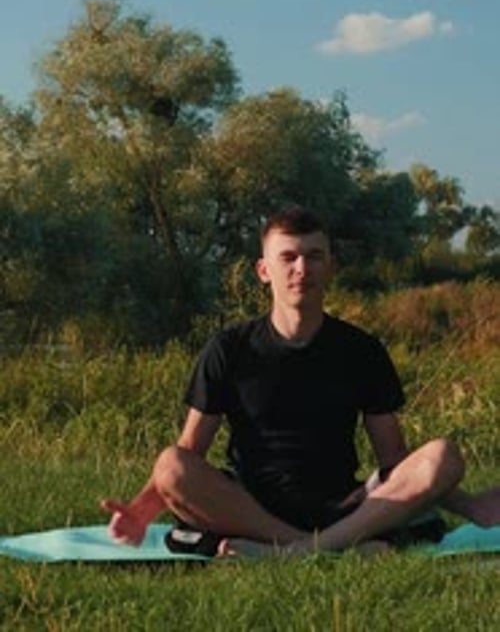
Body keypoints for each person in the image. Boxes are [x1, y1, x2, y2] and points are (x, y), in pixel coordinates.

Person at [102, 206, 500, 556]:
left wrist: (469, 504)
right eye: (288, 257)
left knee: (443, 455)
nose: (301, 269)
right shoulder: (228, 349)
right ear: (263, 270)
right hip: (247, 508)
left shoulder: (361, 350)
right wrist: (142, 510)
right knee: (171, 464)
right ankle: (324, 547)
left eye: (313, 256)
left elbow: (394, 460)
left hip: (343, 506)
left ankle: (292, 551)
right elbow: (190, 452)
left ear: (330, 265)